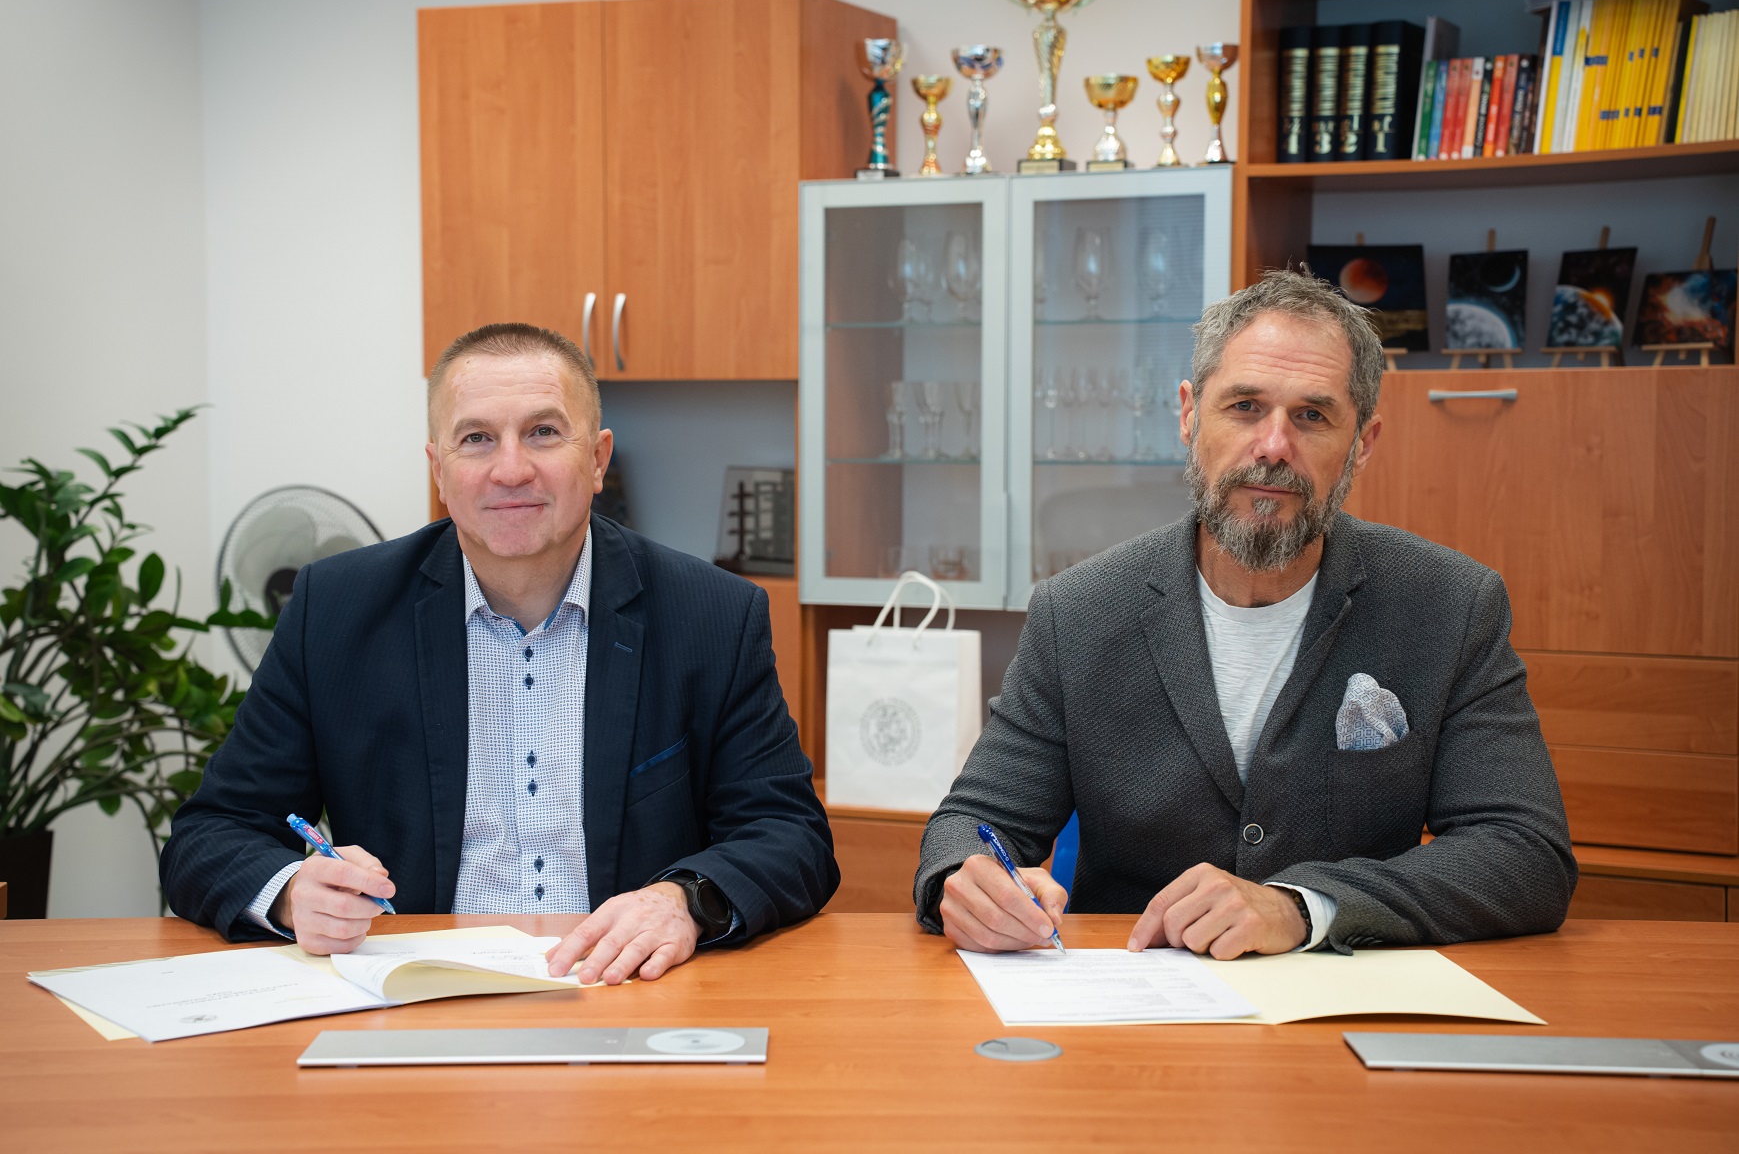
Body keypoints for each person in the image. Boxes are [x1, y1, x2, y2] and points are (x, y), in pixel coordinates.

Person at [914, 268, 1577, 959]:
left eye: (1312, 416)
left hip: (1345, 997)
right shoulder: (1077, 611)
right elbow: (974, 821)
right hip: (1136, 999)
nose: (1273, 446)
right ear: (1188, 416)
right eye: (1244, 406)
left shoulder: (1449, 605)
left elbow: (1525, 852)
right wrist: (965, 880)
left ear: (1363, 442)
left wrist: (1303, 907)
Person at [161, 323, 836, 984]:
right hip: (413, 993)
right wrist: (289, 892)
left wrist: (683, 900)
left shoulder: (710, 615)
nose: (511, 470)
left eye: (543, 432)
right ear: (439, 469)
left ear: (597, 459)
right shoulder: (335, 611)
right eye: (477, 439)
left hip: (626, 988)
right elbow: (211, 834)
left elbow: (789, 835)